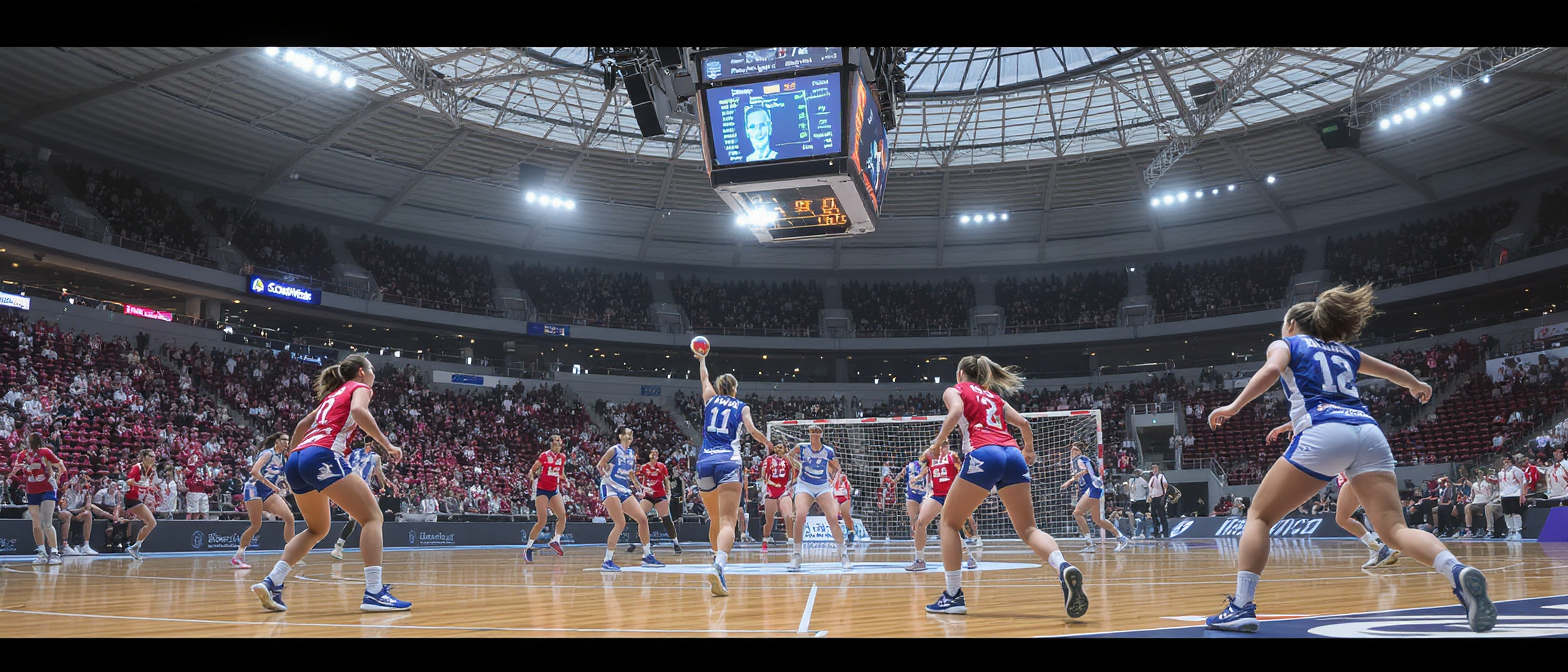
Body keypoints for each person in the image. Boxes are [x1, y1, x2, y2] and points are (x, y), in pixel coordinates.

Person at [1204, 284, 1493, 633]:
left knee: (1259, 517)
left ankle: (1241, 606)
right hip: (1368, 434)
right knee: (1396, 530)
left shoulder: (1287, 343)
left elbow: (1270, 371)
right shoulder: (1344, 351)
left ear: (1293, 323)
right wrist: (1417, 384)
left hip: (1326, 432)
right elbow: (1389, 371)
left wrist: (1234, 406)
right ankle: (1456, 571)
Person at [924, 355, 1088, 618]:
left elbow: (955, 413)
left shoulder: (956, 390)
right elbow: (1024, 423)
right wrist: (1029, 451)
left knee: (949, 523)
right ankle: (1063, 566)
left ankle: (953, 596)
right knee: (1028, 529)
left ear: (961, 373)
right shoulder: (994, 398)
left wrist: (936, 445)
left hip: (984, 453)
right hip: (1013, 454)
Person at [251, 354, 411, 613]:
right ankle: (374, 592)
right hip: (322, 455)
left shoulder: (332, 395)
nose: (374, 376)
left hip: (298, 460)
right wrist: (388, 444)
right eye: (372, 371)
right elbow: (359, 412)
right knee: (372, 517)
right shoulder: (360, 387)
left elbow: (303, 423)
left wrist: (295, 454)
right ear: (361, 371)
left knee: (317, 529)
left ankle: (272, 582)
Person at [695, 349, 774, 595]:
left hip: (704, 463)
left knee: (715, 520)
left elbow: (704, 379)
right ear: (735, 389)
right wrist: (767, 443)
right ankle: (719, 566)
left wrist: (702, 359)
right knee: (729, 521)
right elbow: (752, 431)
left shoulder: (710, 398)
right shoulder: (741, 406)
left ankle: (714, 562)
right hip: (729, 461)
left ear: (719, 388)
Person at [595, 426, 663, 572]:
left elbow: (631, 473)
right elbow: (600, 465)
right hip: (610, 488)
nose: (631, 435)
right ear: (620, 436)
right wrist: (606, 478)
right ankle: (607, 560)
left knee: (643, 519)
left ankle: (648, 555)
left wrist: (640, 486)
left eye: (632, 433)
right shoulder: (614, 450)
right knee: (620, 523)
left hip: (624, 489)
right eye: (627, 433)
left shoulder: (632, 453)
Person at [785, 425, 850, 573]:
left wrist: (834, 482)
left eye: (817, 432)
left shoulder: (828, 451)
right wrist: (796, 465)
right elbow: (788, 456)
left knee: (833, 518)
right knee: (800, 516)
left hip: (822, 486)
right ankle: (796, 555)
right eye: (811, 432)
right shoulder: (801, 448)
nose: (814, 434)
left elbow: (837, 468)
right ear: (808, 433)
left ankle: (843, 554)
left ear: (821, 434)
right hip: (805, 485)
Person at [233, 432, 297, 569]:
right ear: (277, 442)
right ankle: (238, 556)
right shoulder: (268, 454)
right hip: (253, 488)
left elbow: (281, 477)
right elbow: (254, 472)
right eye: (283, 440)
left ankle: (291, 553)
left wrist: (290, 487)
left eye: (288, 440)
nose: (286, 443)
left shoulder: (283, 458)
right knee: (256, 525)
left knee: (289, 517)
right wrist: (272, 486)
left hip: (267, 492)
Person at [331, 440, 398, 560]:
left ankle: (339, 547)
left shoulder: (352, 453)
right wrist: (383, 486)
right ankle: (371, 551)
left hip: (347, 486)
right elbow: (379, 474)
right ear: (371, 444)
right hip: (361, 489)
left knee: (354, 518)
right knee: (374, 519)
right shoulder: (375, 457)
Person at [1061, 442, 1131, 552]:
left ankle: (1089, 543)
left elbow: (1088, 471)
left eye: (1076, 450)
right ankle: (1121, 537)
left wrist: (1069, 481)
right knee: (1098, 520)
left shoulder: (1081, 459)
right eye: (1072, 450)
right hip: (1092, 489)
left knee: (1077, 513)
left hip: (1092, 488)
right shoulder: (1076, 461)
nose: (1073, 452)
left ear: (1080, 451)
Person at [10, 434, 65, 564]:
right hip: (32, 491)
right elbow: (16, 468)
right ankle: (41, 553)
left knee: (47, 522)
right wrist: (13, 473)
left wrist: (56, 477)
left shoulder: (45, 452)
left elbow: (60, 465)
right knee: (36, 524)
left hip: (47, 489)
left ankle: (55, 552)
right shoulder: (22, 455)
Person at [907, 440, 960, 571]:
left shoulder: (952, 456)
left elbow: (962, 471)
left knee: (950, 528)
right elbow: (921, 459)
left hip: (951, 495)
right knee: (919, 523)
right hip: (936, 495)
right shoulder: (931, 458)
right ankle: (919, 560)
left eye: (944, 445)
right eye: (939, 445)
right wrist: (933, 447)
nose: (941, 448)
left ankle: (970, 556)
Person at [523, 434, 569, 563]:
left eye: (559, 442)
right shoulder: (544, 455)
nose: (558, 444)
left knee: (562, 517)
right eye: (555, 441)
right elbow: (532, 470)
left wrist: (565, 478)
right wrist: (531, 475)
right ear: (551, 444)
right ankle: (528, 548)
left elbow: (561, 473)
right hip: (542, 490)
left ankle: (556, 540)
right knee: (542, 521)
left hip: (554, 490)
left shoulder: (563, 457)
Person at [636, 447, 683, 555]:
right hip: (648, 496)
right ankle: (642, 544)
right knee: (640, 516)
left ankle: (675, 543)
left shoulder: (662, 467)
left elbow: (666, 482)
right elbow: (638, 479)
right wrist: (642, 489)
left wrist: (668, 495)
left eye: (656, 454)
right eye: (653, 454)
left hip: (660, 495)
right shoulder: (644, 467)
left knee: (666, 518)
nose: (654, 456)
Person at [119, 449, 159, 560]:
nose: (153, 458)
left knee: (151, 523)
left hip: (137, 498)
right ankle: (134, 547)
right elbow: (129, 481)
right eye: (151, 455)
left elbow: (144, 485)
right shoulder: (137, 467)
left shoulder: (150, 470)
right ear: (144, 457)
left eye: (154, 456)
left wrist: (151, 488)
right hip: (130, 498)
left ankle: (135, 547)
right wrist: (140, 485)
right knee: (151, 522)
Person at [56, 472, 106, 555]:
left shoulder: (85, 492)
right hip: (64, 512)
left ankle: (86, 546)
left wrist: (88, 495)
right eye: (78, 483)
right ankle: (65, 546)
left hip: (76, 512)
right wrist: (79, 510)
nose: (79, 486)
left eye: (82, 484)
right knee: (67, 514)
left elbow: (88, 507)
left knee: (88, 514)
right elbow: (63, 507)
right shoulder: (66, 490)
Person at [759, 442, 796, 552]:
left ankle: (790, 539)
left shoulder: (788, 459)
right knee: (769, 520)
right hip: (771, 490)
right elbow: (763, 476)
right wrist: (774, 484)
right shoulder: (768, 459)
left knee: (789, 515)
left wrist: (792, 482)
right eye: (778, 447)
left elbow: (796, 470)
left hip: (784, 490)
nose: (780, 449)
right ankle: (766, 539)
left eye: (781, 447)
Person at [1496, 455, 1527, 540]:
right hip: (1504, 495)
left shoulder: (1516, 470)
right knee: (1507, 514)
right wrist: (1500, 494)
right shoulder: (1501, 472)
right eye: (1504, 460)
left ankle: (1517, 531)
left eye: (1508, 460)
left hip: (1515, 494)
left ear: (1511, 461)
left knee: (1515, 513)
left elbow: (1522, 482)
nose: (1506, 462)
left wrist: (1522, 494)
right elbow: (1501, 484)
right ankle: (1511, 530)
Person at [1147, 464, 1177, 538]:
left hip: (1160, 497)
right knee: (1153, 515)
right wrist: (1149, 496)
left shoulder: (1161, 476)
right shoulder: (1152, 478)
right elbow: (1150, 488)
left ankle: (1165, 531)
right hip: (1153, 498)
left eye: (1156, 468)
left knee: (1162, 515)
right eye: (1153, 468)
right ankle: (1156, 531)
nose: (1154, 470)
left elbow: (1165, 484)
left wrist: (1164, 494)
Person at [833, 469, 857, 543]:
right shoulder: (834, 482)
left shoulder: (846, 482)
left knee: (846, 518)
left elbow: (849, 492)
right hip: (837, 500)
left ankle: (851, 532)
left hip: (845, 500)